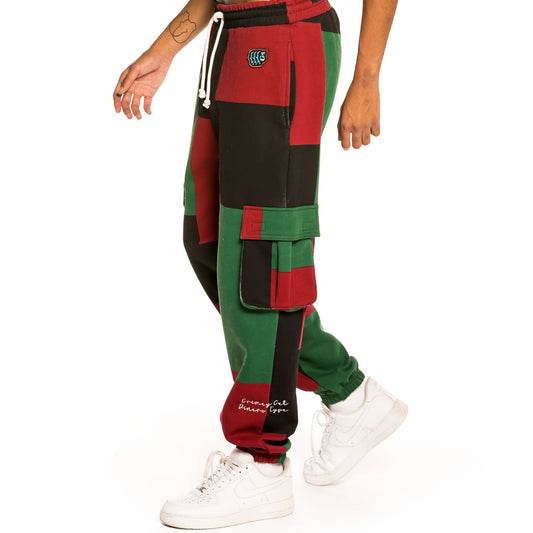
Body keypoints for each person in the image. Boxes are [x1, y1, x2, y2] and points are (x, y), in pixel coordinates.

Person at [113, 0, 405, 528]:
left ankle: (261, 460)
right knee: (209, 235)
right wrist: (165, 49)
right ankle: (351, 394)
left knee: (264, 251)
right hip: (231, 41)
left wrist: (367, 78)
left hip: (288, 39)